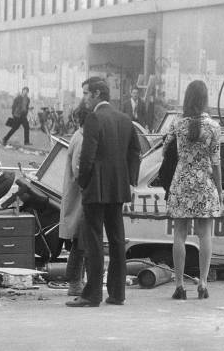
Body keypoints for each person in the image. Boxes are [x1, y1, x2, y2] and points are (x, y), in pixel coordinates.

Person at [66, 77, 141, 307]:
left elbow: (87, 157)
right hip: (118, 189)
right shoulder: (125, 119)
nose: (84, 98)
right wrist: (130, 181)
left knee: (94, 241)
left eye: (87, 93)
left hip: (96, 189)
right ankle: (117, 293)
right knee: (118, 241)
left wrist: (83, 182)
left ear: (97, 94)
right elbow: (135, 152)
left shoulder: (94, 119)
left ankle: (92, 294)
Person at [163, 80, 222, 300]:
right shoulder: (214, 127)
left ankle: (179, 285)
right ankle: (203, 284)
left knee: (179, 234)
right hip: (205, 184)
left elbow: (165, 150)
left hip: (181, 183)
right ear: (205, 99)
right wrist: (220, 189)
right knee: (205, 234)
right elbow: (215, 162)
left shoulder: (177, 124)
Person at [59, 102, 90, 297]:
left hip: (77, 197)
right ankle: (74, 282)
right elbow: (79, 170)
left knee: (81, 242)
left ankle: (77, 281)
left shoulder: (78, 136)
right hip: (81, 198)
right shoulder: (82, 139)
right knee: (81, 243)